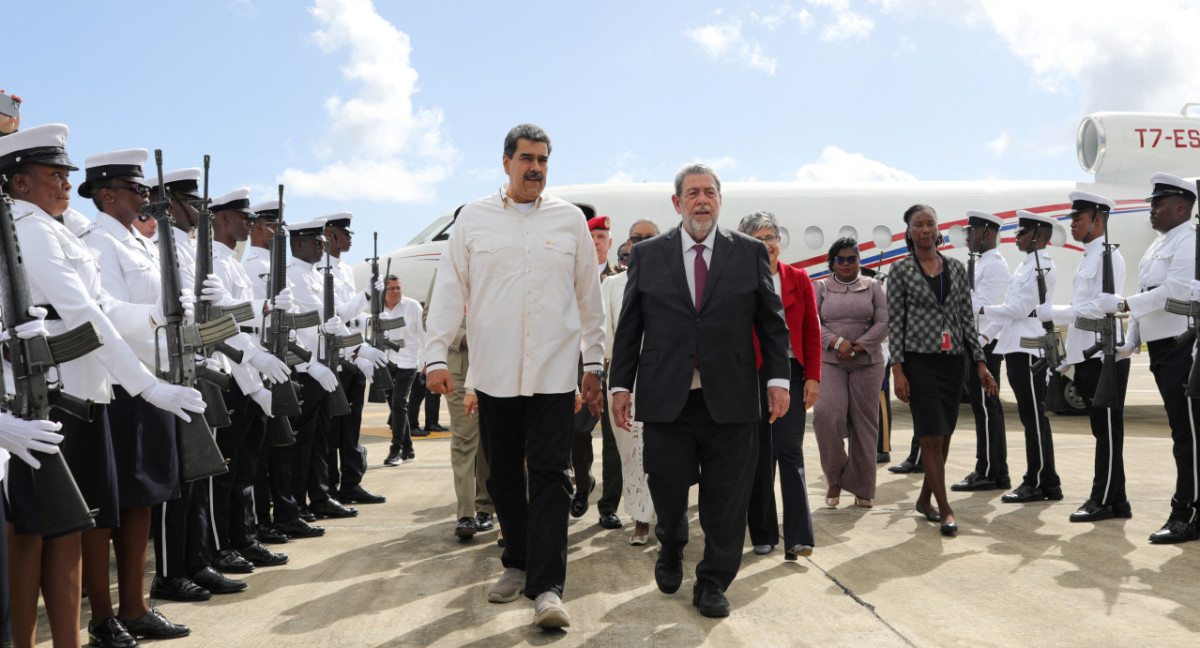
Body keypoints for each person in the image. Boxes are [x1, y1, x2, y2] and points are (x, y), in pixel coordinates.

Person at [2, 130, 206, 647]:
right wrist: (146, 387)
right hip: (52, 400)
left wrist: (154, 316)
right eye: (54, 176)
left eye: (68, 175)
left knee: (69, 528)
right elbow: (84, 315)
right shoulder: (30, 229)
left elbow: (106, 308)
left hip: (81, 397)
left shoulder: (56, 230)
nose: (66, 184)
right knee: (35, 536)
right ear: (19, 181)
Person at [424, 124, 604, 628]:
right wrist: (435, 356)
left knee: (551, 475)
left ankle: (547, 588)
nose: (536, 168)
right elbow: (447, 289)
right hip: (495, 373)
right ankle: (518, 563)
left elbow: (590, 298)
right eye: (526, 159)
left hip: (552, 373)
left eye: (543, 160)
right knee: (502, 474)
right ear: (505, 162)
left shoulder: (569, 221)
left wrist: (593, 363)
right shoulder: (474, 220)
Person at [610, 164, 791, 618]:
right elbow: (631, 324)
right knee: (667, 489)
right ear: (677, 203)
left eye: (710, 192)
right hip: (667, 396)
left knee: (727, 498)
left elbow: (771, 323)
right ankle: (671, 544)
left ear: (720, 200)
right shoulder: (649, 254)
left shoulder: (748, 252)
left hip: (731, 397)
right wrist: (620, 384)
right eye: (692, 193)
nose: (702, 200)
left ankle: (713, 581)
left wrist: (777, 379)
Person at [888, 204, 997, 537]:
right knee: (930, 435)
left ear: (937, 230)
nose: (925, 230)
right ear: (909, 232)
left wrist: (980, 363)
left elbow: (967, 318)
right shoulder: (900, 271)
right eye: (918, 225)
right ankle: (946, 509)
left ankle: (924, 499)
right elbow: (894, 323)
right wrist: (897, 370)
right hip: (919, 362)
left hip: (954, 362)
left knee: (945, 434)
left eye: (930, 224)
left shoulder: (955, 268)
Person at [1103, 172, 1200, 543]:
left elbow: (1174, 290)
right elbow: (1148, 298)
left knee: (1187, 436)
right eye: (1152, 205)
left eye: (1159, 205)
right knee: (1183, 432)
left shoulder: (1189, 241)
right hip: (1162, 350)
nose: (1152, 211)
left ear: (1181, 207)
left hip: (1183, 349)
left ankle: (1186, 513)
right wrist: (1131, 343)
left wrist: (1125, 304)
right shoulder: (1157, 246)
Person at [1036, 191, 1131, 522]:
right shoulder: (1087, 257)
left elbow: (1099, 307)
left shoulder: (1110, 258)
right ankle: (1117, 501)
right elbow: (1084, 313)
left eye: (1079, 217)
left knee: (1106, 430)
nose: (1072, 222)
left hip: (1105, 355)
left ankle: (1101, 499)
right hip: (1088, 354)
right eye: (1073, 217)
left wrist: (1058, 312)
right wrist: (1066, 357)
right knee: (1101, 428)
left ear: (1098, 219)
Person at [737, 212, 820, 561]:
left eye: (770, 236)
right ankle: (764, 532)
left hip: (792, 372)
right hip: (752, 374)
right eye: (757, 238)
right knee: (758, 456)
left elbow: (812, 332)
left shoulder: (799, 279)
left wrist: (813, 377)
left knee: (789, 451)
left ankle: (799, 536)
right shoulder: (738, 281)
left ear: (779, 241)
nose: (766, 244)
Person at [978, 210, 1062, 504]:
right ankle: (1049, 482)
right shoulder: (1024, 267)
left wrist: (982, 310)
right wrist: (985, 336)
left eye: (1021, 234)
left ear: (1037, 236)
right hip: (1015, 347)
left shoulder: (1043, 267)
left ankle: (1036, 481)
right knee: (1031, 416)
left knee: (1033, 417)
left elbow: (1019, 309)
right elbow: (1011, 310)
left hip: (1028, 349)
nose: (1015, 239)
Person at [813, 237, 887, 514]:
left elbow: (884, 322)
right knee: (826, 416)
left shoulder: (874, 286)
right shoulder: (819, 287)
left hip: (867, 361)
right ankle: (835, 478)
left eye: (851, 258)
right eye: (840, 259)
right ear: (832, 262)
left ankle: (863, 488)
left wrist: (858, 346)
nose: (846, 264)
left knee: (865, 425)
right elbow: (813, 322)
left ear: (859, 260)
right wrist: (836, 342)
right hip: (830, 361)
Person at [322, 213, 388, 504]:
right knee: (330, 432)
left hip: (353, 356)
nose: (349, 238)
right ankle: (329, 488)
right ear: (329, 233)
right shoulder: (321, 269)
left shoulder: (346, 269)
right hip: (335, 356)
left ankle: (351, 483)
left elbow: (353, 317)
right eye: (343, 233)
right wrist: (365, 296)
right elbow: (336, 316)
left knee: (350, 429)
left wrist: (373, 319)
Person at [601, 217, 660, 546]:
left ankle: (666, 514)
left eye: (650, 237)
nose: (642, 243)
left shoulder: (676, 280)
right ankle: (640, 517)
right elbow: (606, 338)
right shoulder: (612, 285)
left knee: (665, 450)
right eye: (636, 238)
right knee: (631, 450)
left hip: (667, 377)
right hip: (627, 377)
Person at [569, 214, 623, 529]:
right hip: (582, 367)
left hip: (615, 365)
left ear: (609, 243)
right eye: (591, 238)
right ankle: (583, 484)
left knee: (614, 439)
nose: (596, 243)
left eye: (601, 238)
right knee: (577, 431)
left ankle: (608, 506)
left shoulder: (622, 277)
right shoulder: (572, 279)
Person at [952, 211, 1011, 492]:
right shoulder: (980, 264)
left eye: (971, 232)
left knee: (987, 410)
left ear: (987, 234)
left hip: (984, 345)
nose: (966, 238)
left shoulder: (995, 266)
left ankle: (989, 471)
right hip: (973, 343)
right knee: (982, 409)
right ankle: (993, 470)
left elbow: (987, 306)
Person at [382, 275, 425, 467]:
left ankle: (396, 450)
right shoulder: (377, 310)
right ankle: (409, 449)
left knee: (399, 403)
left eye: (398, 288)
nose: (396, 292)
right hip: (385, 363)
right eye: (391, 288)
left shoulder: (413, 306)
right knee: (396, 407)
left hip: (408, 363)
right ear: (383, 291)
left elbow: (423, 335)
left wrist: (427, 363)